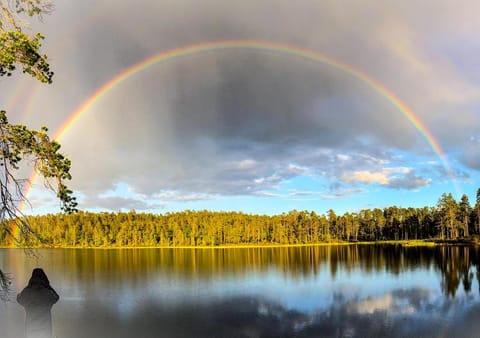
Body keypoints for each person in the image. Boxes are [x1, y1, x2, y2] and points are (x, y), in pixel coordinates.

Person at [17, 268, 59, 338]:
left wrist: (28, 286)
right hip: (46, 330)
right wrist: (48, 286)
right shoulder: (48, 293)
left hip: (30, 329)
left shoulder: (27, 292)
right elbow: (56, 297)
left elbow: (19, 299)